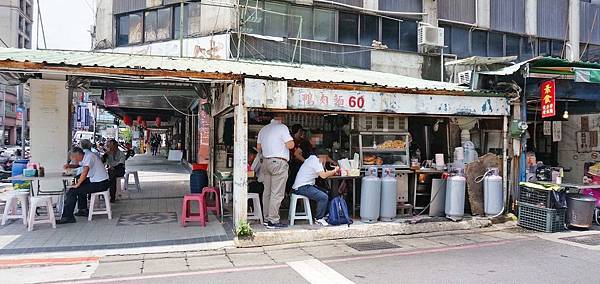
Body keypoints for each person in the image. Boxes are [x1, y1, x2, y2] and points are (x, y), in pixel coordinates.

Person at [257, 115, 294, 229]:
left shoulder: (263, 129)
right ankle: (273, 220)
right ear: (281, 118)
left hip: (266, 162)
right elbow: (290, 145)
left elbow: (258, 147)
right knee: (276, 193)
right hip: (278, 162)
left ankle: (267, 218)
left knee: (267, 191)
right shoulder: (282, 127)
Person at [57, 146, 110, 224]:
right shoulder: (85, 157)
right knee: (80, 185)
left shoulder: (89, 156)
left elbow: (85, 170)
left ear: (78, 155)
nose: (73, 160)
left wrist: (77, 184)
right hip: (96, 181)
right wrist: (70, 166)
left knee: (72, 191)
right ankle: (83, 209)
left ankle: (67, 217)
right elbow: (80, 165)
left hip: (101, 183)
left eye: (73, 158)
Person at [292, 148, 339, 226]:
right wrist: (334, 171)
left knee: (326, 192)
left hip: (305, 185)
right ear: (322, 156)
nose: (326, 160)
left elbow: (322, 172)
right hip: (302, 187)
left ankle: (325, 214)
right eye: (325, 158)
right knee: (323, 197)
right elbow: (323, 175)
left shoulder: (311, 158)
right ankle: (319, 218)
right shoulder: (316, 161)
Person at [287, 124, 313, 193]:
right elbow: (295, 154)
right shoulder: (290, 141)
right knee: (293, 177)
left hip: (301, 164)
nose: (302, 133)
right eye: (300, 131)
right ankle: (289, 191)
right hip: (293, 163)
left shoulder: (302, 141)